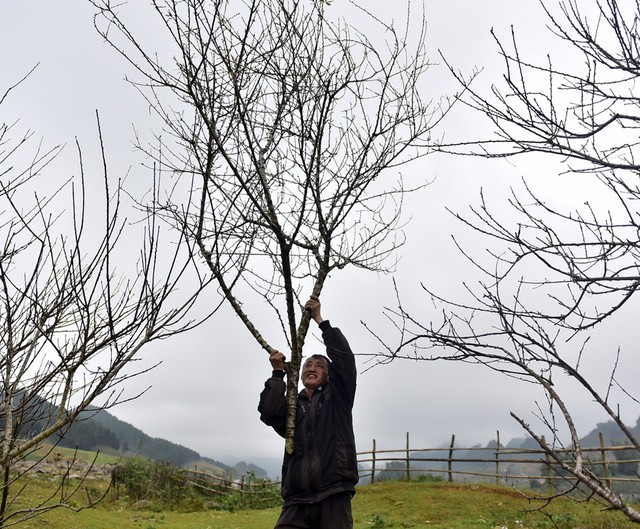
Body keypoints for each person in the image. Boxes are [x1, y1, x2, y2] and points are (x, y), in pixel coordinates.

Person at [258, 295, 358, 529]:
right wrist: (278, 375)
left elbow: (344, 360)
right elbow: (270, 413)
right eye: (307, 366)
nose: (312, 368)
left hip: (334, 492)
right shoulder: (295, 404)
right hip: (296, 499)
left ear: (329, 374)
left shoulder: (339, 397)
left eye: (319, 366)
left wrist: (321, 322)